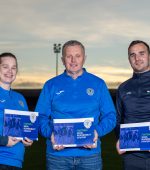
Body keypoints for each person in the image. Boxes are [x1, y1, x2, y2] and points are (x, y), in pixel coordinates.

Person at [35, 40, 116, 170]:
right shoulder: (51, 85)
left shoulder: (98, 84)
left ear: (84, 58)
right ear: (62, 59)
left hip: (90, 157)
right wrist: (51, 134)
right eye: (69, 56)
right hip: (57, 157)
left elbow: (110, 116)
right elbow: (40, 117)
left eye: (77, 56)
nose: (73, 60)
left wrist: (97, 132)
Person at [115, 40, 150, 170]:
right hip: (132, 155)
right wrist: (119, 138)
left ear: (149, 55)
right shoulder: (123, 88)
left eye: (141, 53)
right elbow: (119, 119)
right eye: (132, 55)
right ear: (129, 59)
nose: (137, 58)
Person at [0, 52, 33, 169]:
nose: (10, 71)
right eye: (5, 67)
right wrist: (3, 140)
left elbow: (26, 128)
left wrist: (28, 139)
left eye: (13, 68)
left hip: (16, 162)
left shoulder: (20, 98)